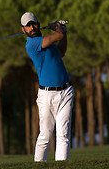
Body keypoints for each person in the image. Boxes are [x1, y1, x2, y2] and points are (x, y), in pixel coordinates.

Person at [20, 12, 74, 162]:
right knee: (45, 135)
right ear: (23, 29)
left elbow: (62, 51)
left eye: (33, 24)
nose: (32, 27)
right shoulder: (32, 44)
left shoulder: (47, 43)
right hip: (47, 96)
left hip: (66, 91)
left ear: (38, 24)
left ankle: (61, 165)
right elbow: (58, 36)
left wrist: (63, 31)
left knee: (63, 134)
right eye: (28, 25)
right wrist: (57, 27)